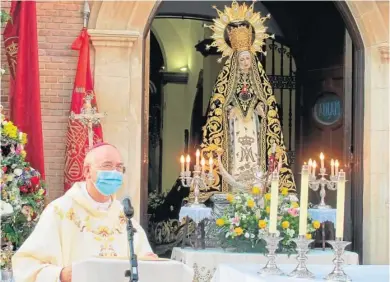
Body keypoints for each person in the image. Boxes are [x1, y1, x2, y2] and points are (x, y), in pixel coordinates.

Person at [12, 143, 156, 282]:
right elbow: (26, 265)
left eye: (119, 167)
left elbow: (146, 262)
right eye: (107, 165)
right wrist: (60, 275)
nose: (114, 172)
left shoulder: (124, 215)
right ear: (87, 171)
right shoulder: (60, 212)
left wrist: (150, 262)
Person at [197, 1, 296, 201]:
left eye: (247, 60)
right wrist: (228, 110)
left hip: (254, 128)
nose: (244, 63)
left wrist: (261, 108)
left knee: (253, 153)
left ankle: (258, 181)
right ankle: (232, 181)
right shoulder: (226, 83)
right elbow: (218, 106)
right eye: (241, 60)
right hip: (234, 128)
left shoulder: (259, 83)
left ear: (252, 61)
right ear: (235, 61)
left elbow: (270, 111)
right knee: (237, 154)